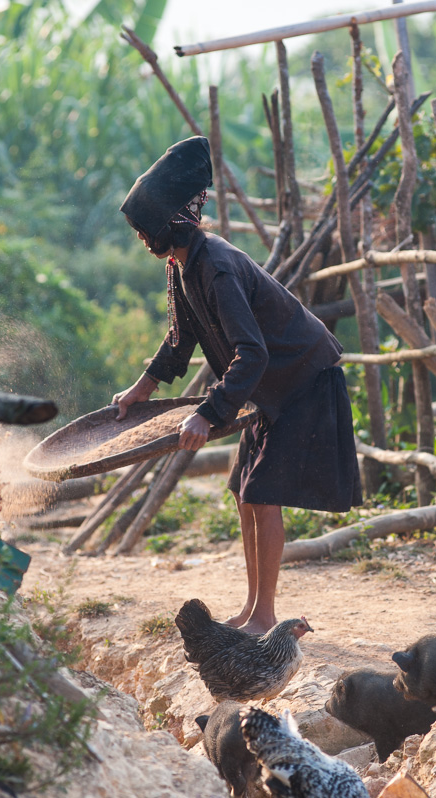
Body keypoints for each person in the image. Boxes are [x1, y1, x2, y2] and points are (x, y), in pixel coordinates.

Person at [113, 136, 362, 634]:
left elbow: (254, 353)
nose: (142, 238)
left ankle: (266, 616)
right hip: (266, 389)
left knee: (263, 492)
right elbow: (181, 338)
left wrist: (208, 413)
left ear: (171, 222)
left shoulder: (218, 267)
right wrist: (142, 386)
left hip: (303, 380)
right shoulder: (181, 266)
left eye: (145, 228)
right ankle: (251, 609)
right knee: (244, 491)